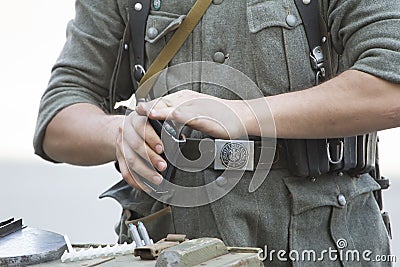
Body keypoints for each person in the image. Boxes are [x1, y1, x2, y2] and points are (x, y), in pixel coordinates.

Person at [34, 0, 400, 265]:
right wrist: (119, 134)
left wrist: (244, 114)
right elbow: (59, 114)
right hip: (169, 248)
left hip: (318, 248)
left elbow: (391, 86)